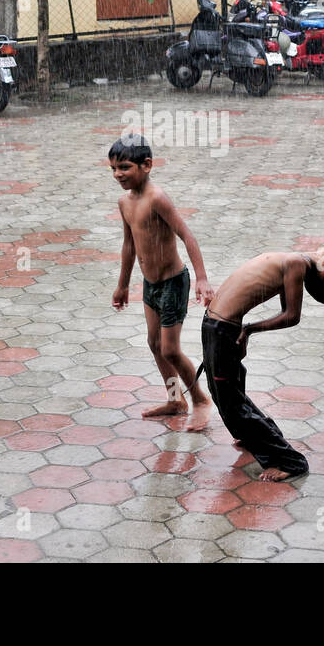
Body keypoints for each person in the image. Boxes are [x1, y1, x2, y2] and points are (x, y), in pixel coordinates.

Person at [200, 244, 324, 481]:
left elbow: (291, 316)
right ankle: (252, 435)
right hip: (217, 326)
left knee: (230, 402)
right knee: (227, 394)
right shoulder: (298, 263)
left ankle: (291, 462)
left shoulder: (297, 263)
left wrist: (249, 329)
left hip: (223, 328)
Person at [109, 137, 215, 429]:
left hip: (173, 283)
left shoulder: (157, 198)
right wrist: (122, 285)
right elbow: (129, 246)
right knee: (154, 344)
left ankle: (200, 400)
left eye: (125, 167)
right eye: (114, 168)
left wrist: (202, 277)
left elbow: (186, 234)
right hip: (150, 285)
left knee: (170, 349)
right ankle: (175, 400)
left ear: (147, 165)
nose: (118, 174)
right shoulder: (124, 203)